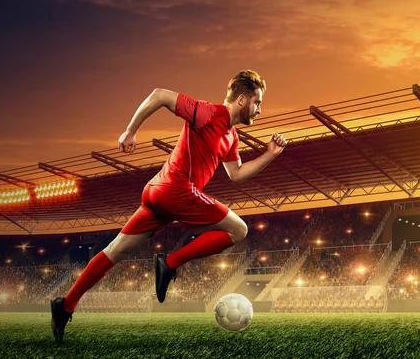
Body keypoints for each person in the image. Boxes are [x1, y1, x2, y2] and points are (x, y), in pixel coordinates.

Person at [51, 70, 286, 342]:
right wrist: (130, 132)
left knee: (113, 251)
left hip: (158, 195)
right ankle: (169, 263)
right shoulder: (208, 113)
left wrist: (269, 155)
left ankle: (65, 305)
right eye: (258, 102)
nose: (260, 109)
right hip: (176, 190)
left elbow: (236, 174)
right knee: (238, 230)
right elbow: (160, 95)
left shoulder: (231, 137)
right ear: (243, 100)